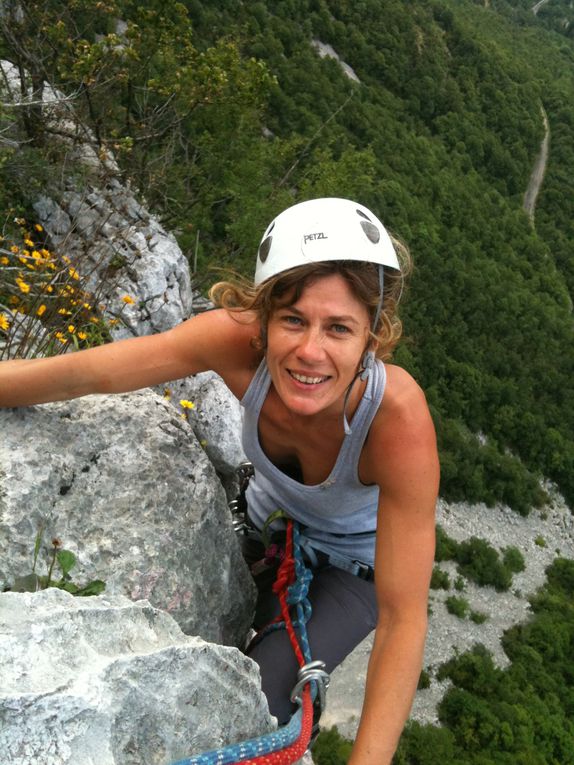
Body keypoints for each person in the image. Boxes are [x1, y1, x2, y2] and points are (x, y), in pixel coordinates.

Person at [0, 197, 439, 764]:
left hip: (352, 571)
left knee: (253, 704)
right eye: (292, 319)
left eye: (339, 328)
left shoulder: (396, 421)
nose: (311, 351)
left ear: (371, 338)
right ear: (263, 317)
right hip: (263, 527)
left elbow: (404, 616)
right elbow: (92, 373)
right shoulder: (233, 345)